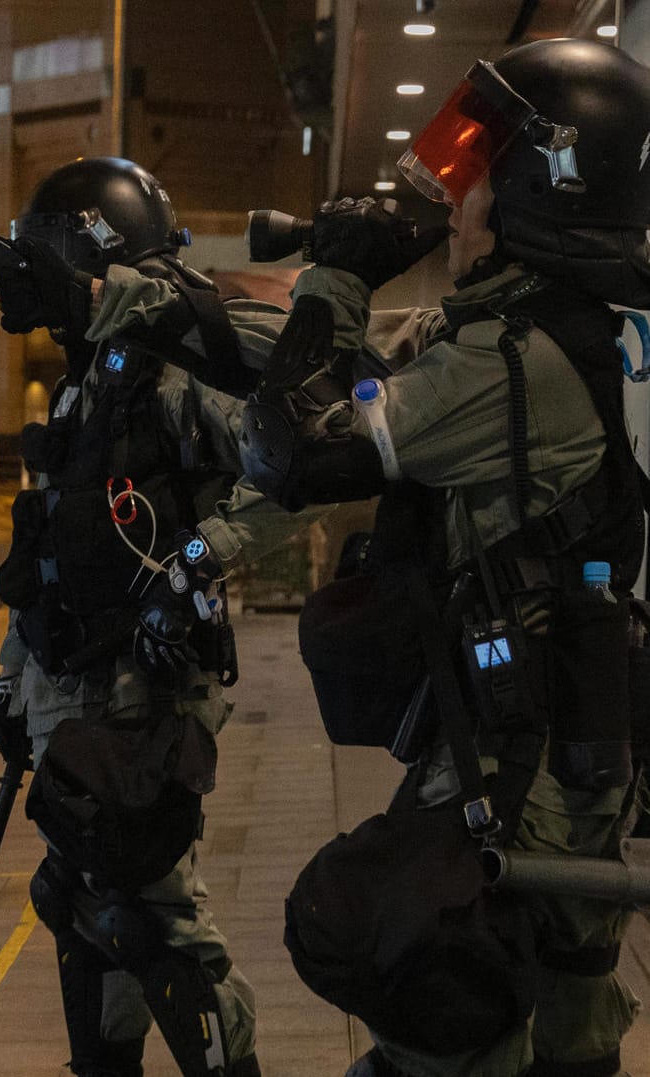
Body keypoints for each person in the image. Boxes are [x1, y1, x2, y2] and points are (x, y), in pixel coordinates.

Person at [227, 38, 650, 1077]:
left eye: (474, 183)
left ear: (533, 191)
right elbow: (375, 395)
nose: (453, 208)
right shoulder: (565, 335)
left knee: (438, 1005)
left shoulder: (517, 359)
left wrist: (334, 271)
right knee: (568, 1014)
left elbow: (294, 450)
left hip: (520, 757)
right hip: (570, 733)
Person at [0, 157, 330, 1077]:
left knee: (152, 910)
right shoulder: (78, 383)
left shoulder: (171, 372)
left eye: (51, 260)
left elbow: (289, 477)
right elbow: (49, 543)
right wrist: (12, 676)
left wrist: (196, 556)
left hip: (145, 680)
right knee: (83, 897)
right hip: (68, 677)